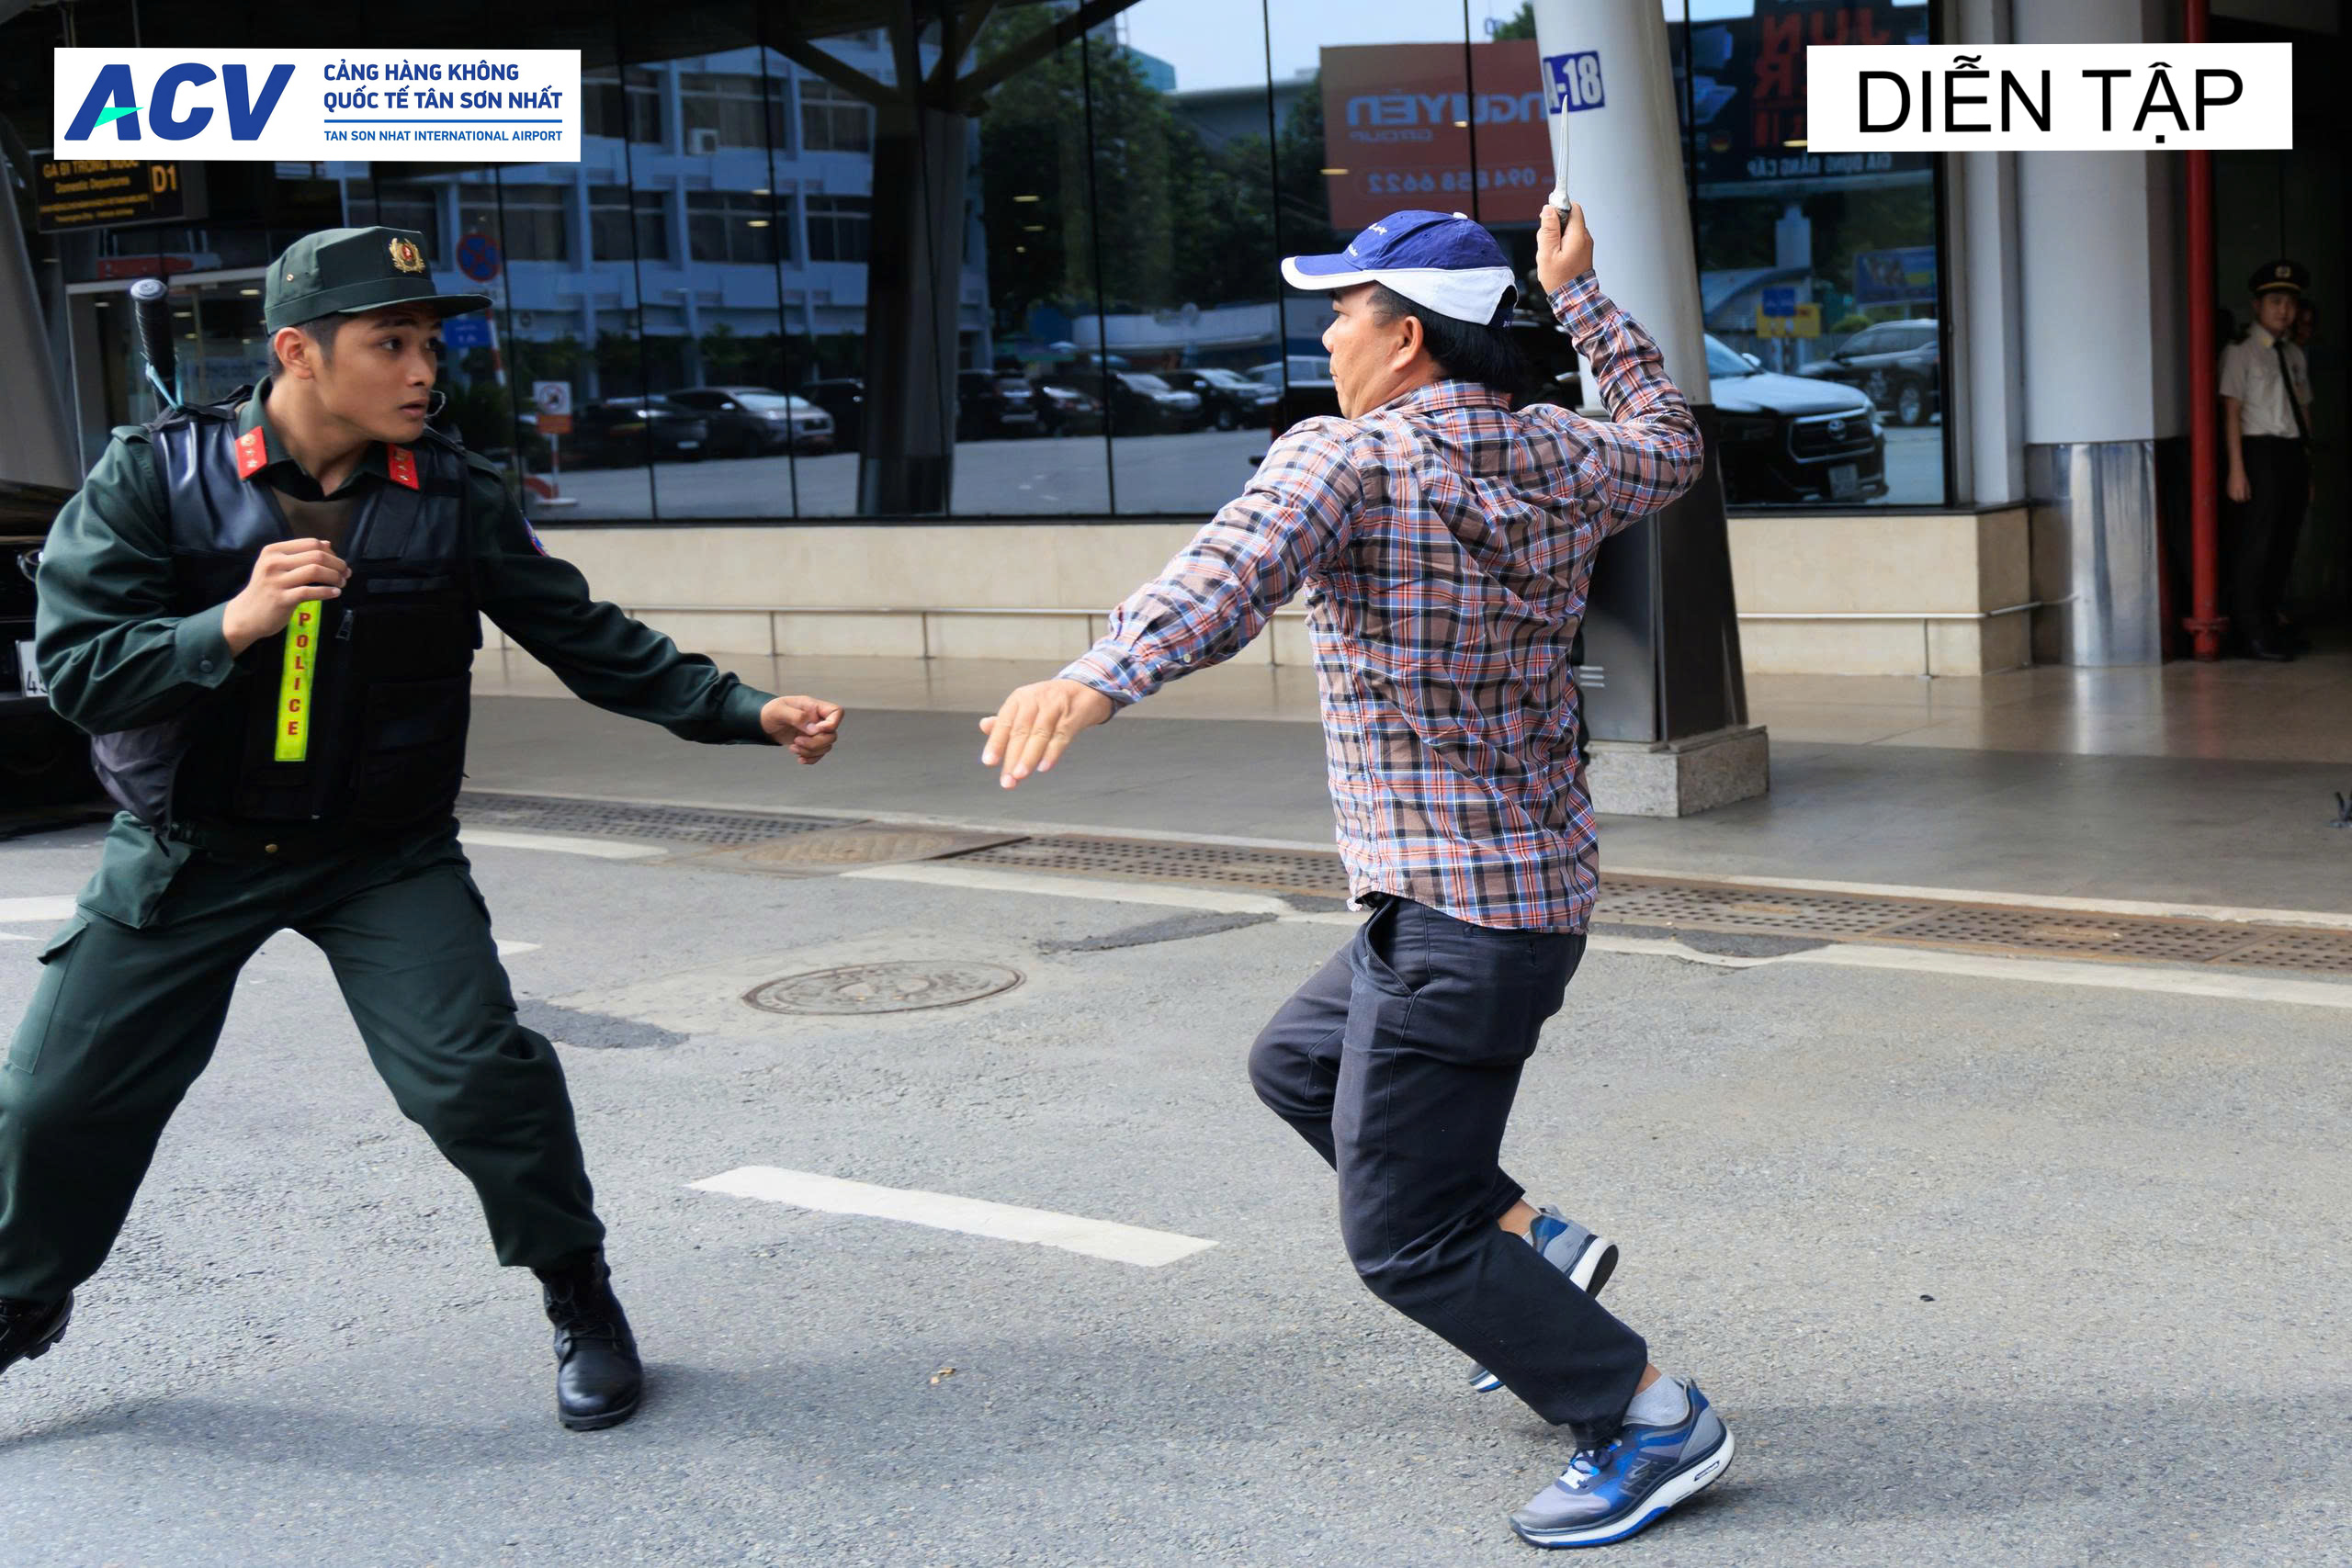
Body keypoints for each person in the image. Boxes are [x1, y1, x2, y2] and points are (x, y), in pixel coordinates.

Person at [0, 227, 843, 1431]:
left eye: (429, 345)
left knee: (477, 1076)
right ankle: (23, 1296)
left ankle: (579, 1293)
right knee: (53, 1101)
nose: (422, 369)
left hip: (379, 851)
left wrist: (746, 710)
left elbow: (585, 634)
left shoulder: (452, 491)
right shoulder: (153, 478)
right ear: (298, 351)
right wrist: (227, 623)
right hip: (192, 849)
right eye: (389, 343)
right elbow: (82, 674)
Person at [978, 205, 1730, 1549]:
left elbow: (1232, 570)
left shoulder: (1351, 454)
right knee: (1297, 1063)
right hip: (1528, 894)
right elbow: (1670, 437)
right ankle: (1530, 1243)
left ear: (1405, 337)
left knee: (1402, 1236)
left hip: (1451, 921)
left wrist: (1096, 676)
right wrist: (1579, 294)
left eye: (1342, 312)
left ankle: (1645, 1417)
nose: (1328, 336)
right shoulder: (1566, 448)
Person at [2220, 259, 2314, 660]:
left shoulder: (2293, 353)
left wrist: (2308, 468)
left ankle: (2273, 622)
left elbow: (2304, 411)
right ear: (2257, 306)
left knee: (2283, 543)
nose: (2284, 310)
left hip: (2291, 452)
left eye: (2290, 303)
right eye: (2275, 301)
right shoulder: (2240, 352)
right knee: (2257, 544)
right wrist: (2236, 469)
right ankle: (2250, 631)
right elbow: (2232, 412)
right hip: (2258, 452)